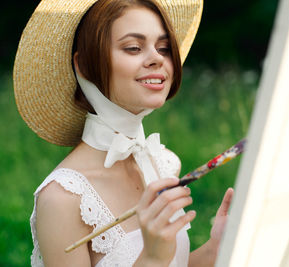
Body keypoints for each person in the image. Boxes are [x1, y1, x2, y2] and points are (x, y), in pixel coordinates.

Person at [13, 0, 234, 266]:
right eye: (133, 47)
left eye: (163, 48)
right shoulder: (62, 199)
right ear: (84, 65)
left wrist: (216, 249)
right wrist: (151, 257)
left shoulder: (164, 163)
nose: (157, 58)